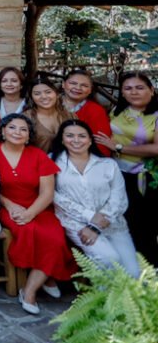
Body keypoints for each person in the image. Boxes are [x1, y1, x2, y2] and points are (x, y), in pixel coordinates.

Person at [0, 113, 74, 314]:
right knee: (27, 231)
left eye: (23, 129)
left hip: (38, 207)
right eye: (12, 127)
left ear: (28, 136)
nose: (17, 132)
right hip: (6, 205)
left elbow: (47, 193)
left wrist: (31, 212)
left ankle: (29, 289)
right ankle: (44, 278)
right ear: (3, 131)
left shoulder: (38, 155)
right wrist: (9, 206)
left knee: (55, 238)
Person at [51, 119, 139, 278]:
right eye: (70, 136)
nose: (76, 140)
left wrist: (97, 224)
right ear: (62, 140)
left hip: (113, 222)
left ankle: (122, 302)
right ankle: (104, 301)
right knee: (108, 259)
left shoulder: (108, 164)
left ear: (90, 140)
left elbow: (119, 198)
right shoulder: (53, 162)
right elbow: (54, 196)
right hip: (75, 222)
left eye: (82, 136)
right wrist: (89, 216)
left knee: (134, 274)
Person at [96, 72, 158, 264]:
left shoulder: (155, 115)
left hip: (145, 176)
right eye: (128, 88)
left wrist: (119, 148)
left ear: (152, 90)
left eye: (140, 88)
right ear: (122, 92)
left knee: (145, 224)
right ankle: (130, 268)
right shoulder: (117, 110)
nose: (134, 92)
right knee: (125, 222)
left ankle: (149, 271)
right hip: (118, 174)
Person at [61, 69, 112, 155]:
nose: (78, 88)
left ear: (90, 90)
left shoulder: (96, 110)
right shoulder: (49, 103)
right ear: (63, 84)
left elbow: (101, 144)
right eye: (73, 83)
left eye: (84, 85)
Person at [24, 77, 75, 151]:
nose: (44, 97)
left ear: (56, 94)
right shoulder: (26, 118)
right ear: (32, 97)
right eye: (37, 94)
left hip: (66, 161)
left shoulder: (70, 115)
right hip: (38, 161)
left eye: (48, 92)